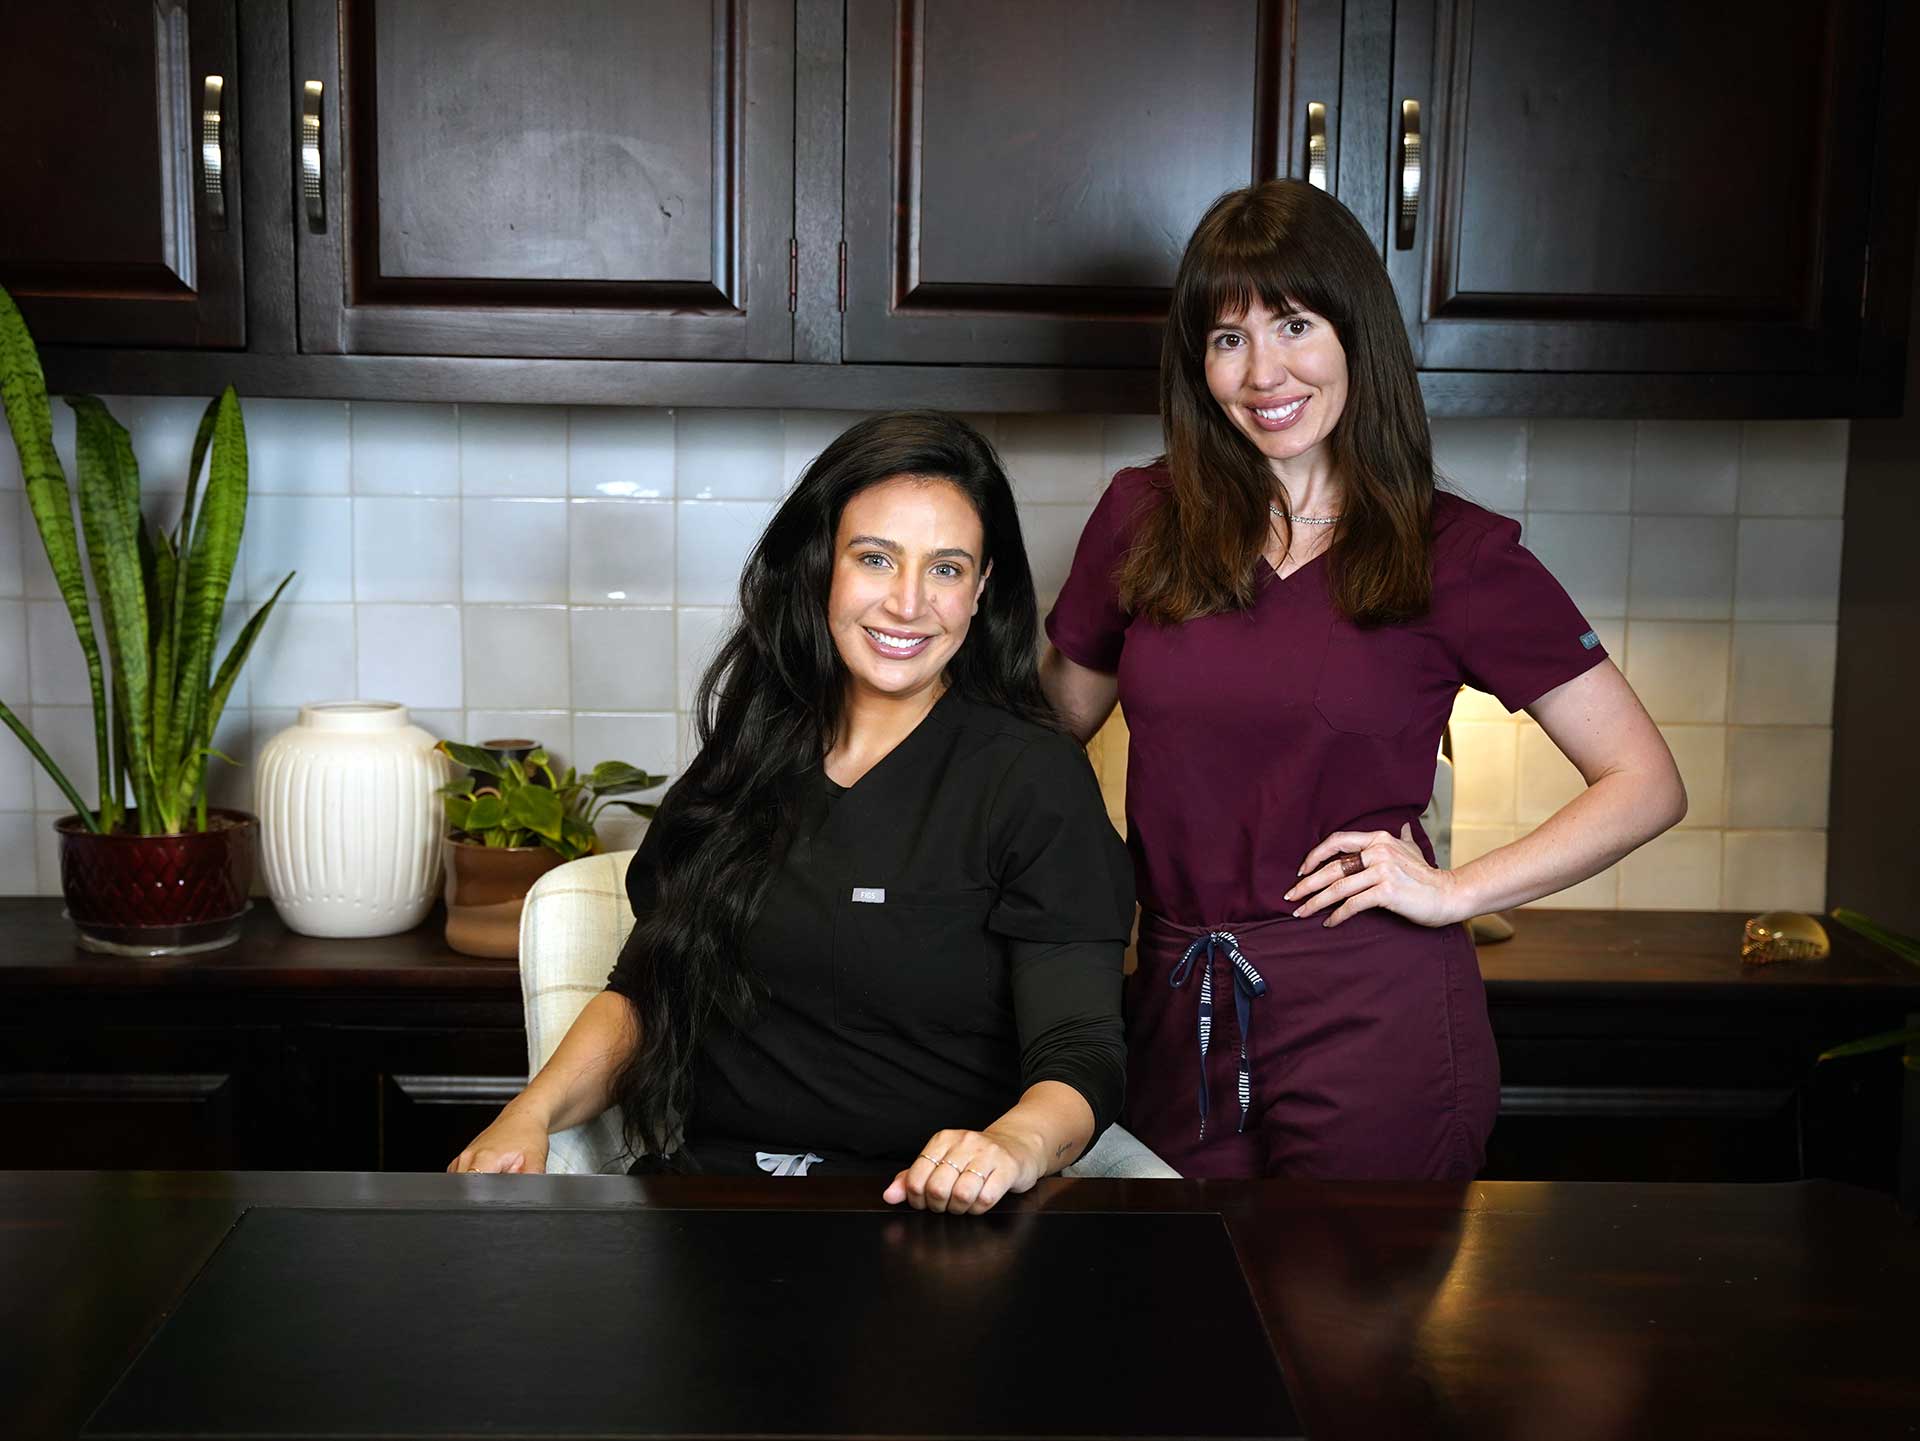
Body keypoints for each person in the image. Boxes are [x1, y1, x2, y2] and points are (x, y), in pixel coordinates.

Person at [1040, 180, 1686, 1181]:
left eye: (1294, 324)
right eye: (1226, 338)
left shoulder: (1454, 554)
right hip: (1175, 1003)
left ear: (1354, 334)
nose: (1264, 372)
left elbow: (1645, 781)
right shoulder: (1140, 519)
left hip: (1373, 1015)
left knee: (1346, 1335)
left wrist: (1454, 890)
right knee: (1176, 1323)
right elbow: (1039, 742)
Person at [452, 412, 1133, 1215]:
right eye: (876, 559)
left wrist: (1012, 1144)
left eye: (945, 569)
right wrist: (525, 1115)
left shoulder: (1031, 778)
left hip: (926, 1215)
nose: (908, 603)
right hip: (712, 1212)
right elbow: (646, 991)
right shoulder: (747, 756)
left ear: (982, 589)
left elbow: (1079, 1049)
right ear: (821, 569)